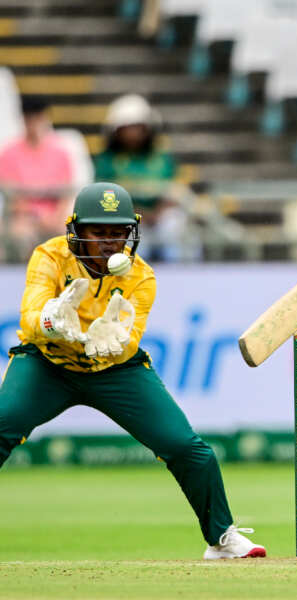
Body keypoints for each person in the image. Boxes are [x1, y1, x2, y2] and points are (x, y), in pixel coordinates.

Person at [0, 182, 265, 559]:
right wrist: (51, 320)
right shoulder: (50, 256)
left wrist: (114, 339)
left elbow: (129, 339)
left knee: (187, 448)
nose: (111, 243)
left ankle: (221, 538)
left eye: (119, 232)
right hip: (48, 363)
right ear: (77, 230)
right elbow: (30, 316)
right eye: (99, 232)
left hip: (115, 370)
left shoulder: (141, 276)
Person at [92, 94, 184, 262]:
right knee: (133, 236)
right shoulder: (107, 161)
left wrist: (157, 213)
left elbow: (173, 192)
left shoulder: (161, 158)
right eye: (128, 128)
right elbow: (103, 198)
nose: (133, 133)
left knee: (173, 224)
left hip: (159, 217)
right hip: (127, 219)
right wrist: (138, 213)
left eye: (138, 127)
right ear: (116, 131)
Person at [0, 96, 74, 261]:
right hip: (22, 218)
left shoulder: (61, 152)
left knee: (68, 234)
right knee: (19, 235)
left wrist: (54, 217)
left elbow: (65, 195)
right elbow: (11, 198)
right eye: (29, 118)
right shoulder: (8, 153)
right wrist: (35, 217)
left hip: (54, 217)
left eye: (37, 117)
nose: (34, 123)